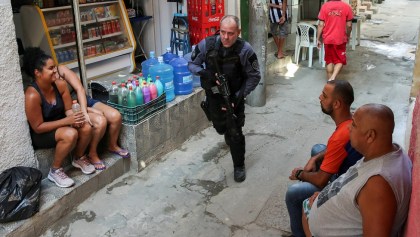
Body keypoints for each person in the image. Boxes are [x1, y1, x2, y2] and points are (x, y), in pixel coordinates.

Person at [302, 104, 412, 237]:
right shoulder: (390, 151)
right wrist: (326, 195)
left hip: (319, 230)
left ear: (370, 136)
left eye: (353, 124)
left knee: (295, 194)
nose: (348, 127)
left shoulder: (378, 185)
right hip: (328, 208)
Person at [188, 15, 261, 182]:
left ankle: (239, 165)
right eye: (223, 32)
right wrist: (204, 72)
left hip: (235, 95)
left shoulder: (245, 50)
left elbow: (255, 76)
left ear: (238, 32)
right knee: (221, 128)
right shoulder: (207, 44)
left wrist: (240, 95)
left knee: (235, 132)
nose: (226, 37)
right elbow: (191, 64)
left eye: (231, 33)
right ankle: (223, 127)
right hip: (214, 95)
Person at [285, 80, 363, 237]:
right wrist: (314, 158)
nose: (319, 97)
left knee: (293, 193)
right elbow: (335, 147)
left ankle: (298, 233)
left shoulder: (339, 137)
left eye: (324, 96)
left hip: (343, 185)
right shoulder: (351, 120)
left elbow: (320, 180)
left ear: (336, 104)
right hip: (347, 169)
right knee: (318, 149)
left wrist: (299, 174)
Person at [23, 47, 96, 188]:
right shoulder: (32, 94)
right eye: (51, 68)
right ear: (37, 73)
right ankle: (55, 170)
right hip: (42, 133)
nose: (55, 71)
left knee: (86, 126)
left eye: (55, 68)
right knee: (70, 134)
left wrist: (75, 118)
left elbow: (68, 110)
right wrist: (68, 121)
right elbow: (38, 128)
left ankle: (79, 157)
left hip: (61, 124)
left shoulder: (60, 85)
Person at [55, 65, 130, 170]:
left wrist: (85, 110)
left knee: (115, 116)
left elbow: (80, 88)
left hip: (84, 101)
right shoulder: (44, 84)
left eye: (53, 67)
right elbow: (65, 109)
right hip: (72, 109)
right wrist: (89, 111)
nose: (53, 71)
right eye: (49, 69)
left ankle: (112, 145)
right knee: (100, 121)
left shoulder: (61, 69)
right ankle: (92, 153)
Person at [316, 0, 353, 81]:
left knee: (329, 60)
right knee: (340, 60)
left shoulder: (324, 6)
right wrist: (348, 36)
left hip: (327, 38)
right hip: (340, 39)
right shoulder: (347, 7)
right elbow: (349, 25)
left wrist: (318, 38)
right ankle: (332, 78)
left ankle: (330, 84)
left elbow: (321, 24)